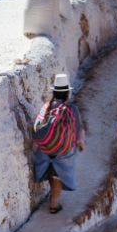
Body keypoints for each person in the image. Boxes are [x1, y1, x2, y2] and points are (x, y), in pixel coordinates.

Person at [33, 74, 85, 214]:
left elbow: (39, 125)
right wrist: (80, 142)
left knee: (52, 173)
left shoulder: (47, 106)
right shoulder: (72, 109)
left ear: (54, 92)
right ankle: (54, 204)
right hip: (63, 151)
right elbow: (79, 128)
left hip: (45, 148)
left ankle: (53, 197)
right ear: (67, 93)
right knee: (57, 175)